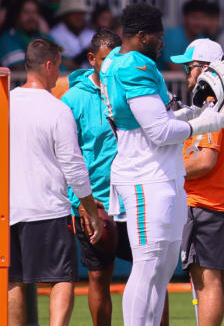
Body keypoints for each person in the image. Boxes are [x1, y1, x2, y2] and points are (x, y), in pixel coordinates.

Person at [100, 2, 224, 325]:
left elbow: (164, 116)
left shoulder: (128, 63)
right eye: (157, 37)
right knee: (148, 264)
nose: (163, 43)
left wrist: (194, 112)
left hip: (162, 174)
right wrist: (207, 123)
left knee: (163, 267)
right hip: (146, 176)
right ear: (141, 35)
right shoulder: (133, 67)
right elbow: (160, 131)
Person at [9, 38, 103, 326]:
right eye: (59, 68)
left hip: (10, 210)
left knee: (14, 281)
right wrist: (88, 207)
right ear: (48, 66)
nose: (59, 76)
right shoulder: (57, 109)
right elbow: (74, 167)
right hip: (49, 208)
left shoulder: (6, 102)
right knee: (62, 278)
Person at [171, 38, 224, 326]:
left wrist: (169, 170)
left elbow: (205, 160)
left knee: (207, 280)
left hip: (210, 202)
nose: (186, 73)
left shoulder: (213, 99)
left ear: (206, 67)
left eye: (190, 66)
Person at [60, 29, 133, 326]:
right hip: (95, 205)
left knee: (150, 275)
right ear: (92, 59)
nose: (112, 66)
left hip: (135, 199)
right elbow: (64, 156)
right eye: (106, 60)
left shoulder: (132, 90)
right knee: (98, 278)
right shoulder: (72, 100)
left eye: (117, 59)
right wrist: (79, 202)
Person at [0, 0, 54, 69]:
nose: (31, 17)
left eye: (35, 12)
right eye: (26, 12)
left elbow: (65, 61)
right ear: (17, 15)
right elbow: (20, 69)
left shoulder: (43, 37)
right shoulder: (8, 39)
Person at [161, 0, 209, 71]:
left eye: (203, 18)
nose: (199, 22)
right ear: (184, 18)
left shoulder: (201, 39)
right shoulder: (173, 37)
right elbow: (174, 68)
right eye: (194, 17)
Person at [49, 0, 95, 69]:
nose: (78, 17)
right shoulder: (55, 35)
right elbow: (66, 64)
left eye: (81, 13)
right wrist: (86, 53)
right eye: (74, 13)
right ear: (65, 15)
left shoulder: (91, 34)